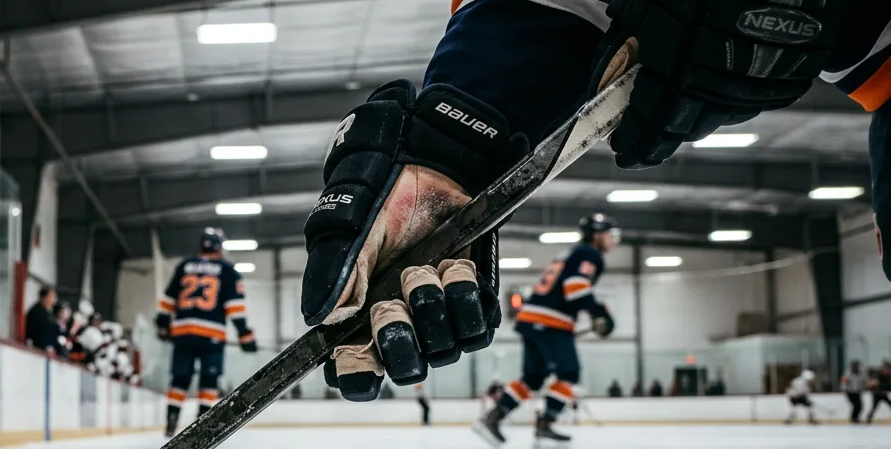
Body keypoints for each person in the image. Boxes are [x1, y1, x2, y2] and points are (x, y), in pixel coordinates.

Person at [298, 0, 891, 423]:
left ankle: (507, 413)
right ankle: (525, 416)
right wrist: (456, 147)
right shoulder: (585, 257)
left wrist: (462, 136)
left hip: (539, 322)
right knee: (566, 377)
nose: (607, 243)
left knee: (543, 379)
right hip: (550, 323)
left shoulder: (582, 256)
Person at [474, 214, 617, 446]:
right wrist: (598, 312)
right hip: (550, 321)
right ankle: (546, 423)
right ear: (597, 235)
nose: (613, 240)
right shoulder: (590, 254)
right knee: (569, 373)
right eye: (611, 234)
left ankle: (493, 417)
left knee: (533, 377)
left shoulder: (572, 253)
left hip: (531, 317)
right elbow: (575, 287)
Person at [155, 227, 259, 437]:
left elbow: (168, 300)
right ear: (219, 247)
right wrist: (245, 335)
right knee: (209, 381)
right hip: (211, 335)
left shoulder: (184, 266)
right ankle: (202, 428)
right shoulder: (227, 270)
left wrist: (163, 324)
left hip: (183, 332)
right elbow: (235, 308)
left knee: (179, 379)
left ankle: (171, 421)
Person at [24, 287, 60, 353]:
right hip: (38, 349)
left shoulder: (50, 312)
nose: (54, 299)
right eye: (52, 296)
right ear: (44, 297)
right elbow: (33, 331)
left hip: (50, 349)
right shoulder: (35, 311)